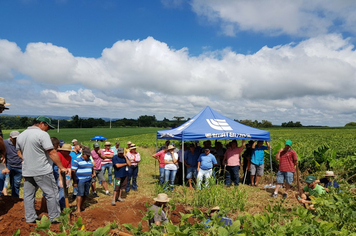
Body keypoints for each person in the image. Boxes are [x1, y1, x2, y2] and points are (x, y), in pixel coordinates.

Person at [16, 116, 69, 223]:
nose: (48, 129)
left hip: (27, 170)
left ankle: (30, 218)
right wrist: (61, 167)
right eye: (48, 127)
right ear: (41, 123)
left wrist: (28, 160)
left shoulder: (21, 135)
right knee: (52, 193)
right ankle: (55, 218)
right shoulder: (42, 134)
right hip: (42, 170)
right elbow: (52, 152)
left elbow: (19, 152)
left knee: (28, 195)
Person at [71, 146, 95, 213]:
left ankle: (81, 205)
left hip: (88, 179)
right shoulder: (77, 160)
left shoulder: (89, 160)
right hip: (80, 180)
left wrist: (93, 173)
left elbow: (92, 167)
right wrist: (75, 181)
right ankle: (78, 208)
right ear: (83, 154)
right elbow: (73, 171)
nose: (88, 157)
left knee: (85, 194)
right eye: (87, 155)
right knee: (80, 194)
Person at [3, 131, 22, 197]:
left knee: (16, 184)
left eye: (18, 138)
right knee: (4, 181)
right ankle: (4, 197)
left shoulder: (22, 143)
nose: (16, 140)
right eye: (14, 138)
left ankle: (15, 198)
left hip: (19, 166)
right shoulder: (5, 143)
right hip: (8, 165)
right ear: (10, 137)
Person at [57, 144, 72, 209]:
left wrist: (68, 180)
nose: (69, 152)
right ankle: (62, 206)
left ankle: (63, 205)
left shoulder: (69, 157)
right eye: (67, 151)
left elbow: (69, 167)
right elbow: (58, 167)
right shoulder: (59, 155)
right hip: (59, 174)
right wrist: (60, 179)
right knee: (61, 190)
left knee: (65, 190)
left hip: (66, 175)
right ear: (63, 151)